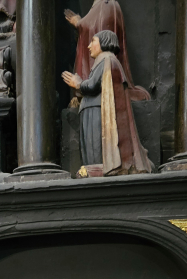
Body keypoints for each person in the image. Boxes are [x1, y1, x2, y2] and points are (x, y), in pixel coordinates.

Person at [61, 31, 153, 177]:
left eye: (93, 41)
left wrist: (78, 83)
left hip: (97, 111)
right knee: (89, 145)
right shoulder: (103, 62)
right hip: (91, 109)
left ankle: (97, 167)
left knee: (94, 143)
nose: (89, 46)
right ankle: (92, 167)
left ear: (104, 42)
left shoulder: (107, 60)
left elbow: (92, 85)